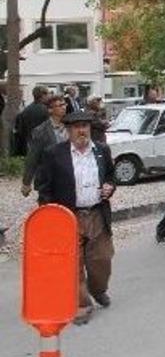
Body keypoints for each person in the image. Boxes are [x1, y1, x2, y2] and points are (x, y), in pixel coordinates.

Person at [35, 110, 117, 325]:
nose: (82, 130)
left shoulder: (101, 150)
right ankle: (82, 304)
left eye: (85, 126)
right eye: (77, 127)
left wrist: (110, 186)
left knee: (102, 259)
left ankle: (98, 289)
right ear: (68, 130)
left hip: (96, 213)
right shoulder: (54, 153)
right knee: (73, 263)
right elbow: (44, 188)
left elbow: (110, 175)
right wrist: (51, 216)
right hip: (67, 216)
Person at [22, 94, 68, 197]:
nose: (64, 107)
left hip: (68, 177)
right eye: (60, 105)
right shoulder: (40, 131)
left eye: (64, 104)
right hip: (48, 179)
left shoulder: (70, 126)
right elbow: (33, 157)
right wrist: (26, 182)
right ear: (50, 110)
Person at [13, 85, 51, 157]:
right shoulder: (44, 110)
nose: (49, 96)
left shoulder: (27, 109)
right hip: (41, 146)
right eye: (48, 94)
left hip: (28, 145)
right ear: (43, 95)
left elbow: (21, 131)